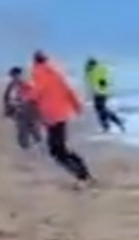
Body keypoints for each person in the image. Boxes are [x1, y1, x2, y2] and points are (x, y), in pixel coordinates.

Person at [29, 50, 94, 186]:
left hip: (51, 116)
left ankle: (81, 176)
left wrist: (27, 99)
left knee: (56, 151)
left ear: (35, 61)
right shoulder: (56, 73)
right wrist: (77, 107)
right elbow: (68, 91)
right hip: (61, 115)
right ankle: (84, 172)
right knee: (61, 148)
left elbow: (37, 93)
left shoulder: (39, 73)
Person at [2, 66, 42, 150]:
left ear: (19, 74)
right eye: (12, 76)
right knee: (23, 133)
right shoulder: (12, 85)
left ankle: (40, 149)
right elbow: (6, 98)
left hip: (30, 111)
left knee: (34, 132)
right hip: (21, 113)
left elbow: (35, 97)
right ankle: (28, 150)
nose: (14, 78)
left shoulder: (26, 83)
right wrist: (8, 110)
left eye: (15, 75)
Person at [84, 57, 126, 133]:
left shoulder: (93, 71)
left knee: (101, 109)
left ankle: (112, 123)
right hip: (103, 92)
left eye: (88, 65)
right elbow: (105, 79)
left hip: (99, 92)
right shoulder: (100, 69)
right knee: (101, 109)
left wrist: (99, 88)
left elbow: (96, 82)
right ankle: (112, 124)